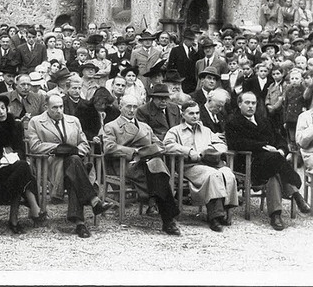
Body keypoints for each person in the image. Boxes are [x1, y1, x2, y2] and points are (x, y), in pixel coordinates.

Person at [27, 95, 114, 238]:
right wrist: (63, 149)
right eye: (55, 107)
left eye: (61, 106)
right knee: (74, 165)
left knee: (74, 167)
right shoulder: (36, 122)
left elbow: (84, 143)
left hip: (75, 166)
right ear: (46, 107)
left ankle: (80, 224)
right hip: (51, 164)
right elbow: (35, 146)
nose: (59, 110)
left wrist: (78, 150)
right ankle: (93, 202)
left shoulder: (73, 121)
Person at [225, 91, 310, 230]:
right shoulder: (233, 121)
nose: (251, 106)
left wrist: (282, 150)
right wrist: (264, 147)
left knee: (273, 171)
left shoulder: (264, 120)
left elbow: (280, 139)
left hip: (270, 163)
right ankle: (296, 192)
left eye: (253, 103)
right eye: (247, 103)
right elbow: (236, 143)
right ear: (239, 104)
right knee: (274, 160)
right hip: (249, 163)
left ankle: (275, 215)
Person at [102, 95, 182, 235]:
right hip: (126, 164)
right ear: (120, 106)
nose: (132, 110)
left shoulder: (145, 127)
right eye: (128, 106)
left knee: (157, 167)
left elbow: (159, 144)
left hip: (147, 163)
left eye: (135, 107)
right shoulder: (111, 126)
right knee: (158, 172)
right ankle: (169, 215)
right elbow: (108, 147)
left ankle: (167, 219)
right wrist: (134, 152)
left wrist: (149, 151)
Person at [164, 101, 238, 232]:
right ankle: (214, 217)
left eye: (197, 113)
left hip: (210, 163)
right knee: (213, 175)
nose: (195, 116)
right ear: (183, 114)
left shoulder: (206, 131)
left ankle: (224, 212)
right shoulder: (175, 131)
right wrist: (188, 151)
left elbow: (222, 144)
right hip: (189, 166)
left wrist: (210, 150)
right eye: (191, 113)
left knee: (228, 174)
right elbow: (168, 145)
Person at [0, 94, 45, 233]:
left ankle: (17, 218)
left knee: (21, 168)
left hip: (15, 166)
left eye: (3, 108)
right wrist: (2, 159)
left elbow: (20, 148)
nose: (1, 112)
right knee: (23, 169)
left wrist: (15, 156)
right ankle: (31, 209)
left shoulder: (15, 124)